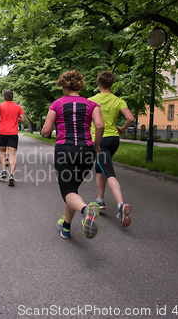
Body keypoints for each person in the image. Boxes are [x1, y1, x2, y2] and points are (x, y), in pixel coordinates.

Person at [41, 70, 105, 239]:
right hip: (87, 151)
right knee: (73, 189)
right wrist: (96, 146)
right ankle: (66, 227)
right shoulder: (92, 105)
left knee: (67, 192)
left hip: (65, 150)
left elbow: (46, 131)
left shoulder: (57, 104)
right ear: (80, 85)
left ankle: (86, 212)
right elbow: (99, 125)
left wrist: (44, 131)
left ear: (64, 85)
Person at [88, 70, 134, 227]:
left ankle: (121, 204)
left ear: (99, 84)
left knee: (108, 171)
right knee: (100, 167)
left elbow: (86, 121)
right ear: (111, 84)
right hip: (114, 139)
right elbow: (130, 118)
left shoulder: (91, 100)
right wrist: (123, 128)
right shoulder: (118, 100)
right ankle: (100, 200)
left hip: (99, 140)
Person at [0, 89, 25, 186]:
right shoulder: (18, 107)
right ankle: (11, 174)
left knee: (2, 151)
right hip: (13, 133)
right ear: (12, 97)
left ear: (4, 97)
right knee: (12, 153)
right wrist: (15, 119)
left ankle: (3, 171)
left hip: (2, 132)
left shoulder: (0, 105)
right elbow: (23, 120)